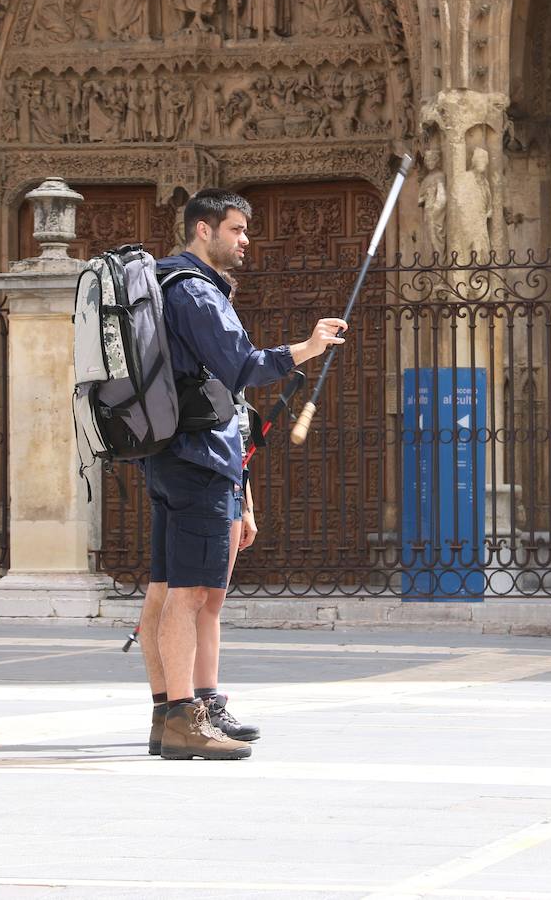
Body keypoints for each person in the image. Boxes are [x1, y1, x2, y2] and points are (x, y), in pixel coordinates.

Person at [138, 188, 346, 760]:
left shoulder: (162, 285)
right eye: (235, 229)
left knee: (171, 592)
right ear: (203, 230)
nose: (246, 240)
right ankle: (184, 720)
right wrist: (307, 347)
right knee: (191, 594)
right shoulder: (197, 293)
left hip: (172, 455)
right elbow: (243, 367)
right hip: (198, 460)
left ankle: (171, 714)